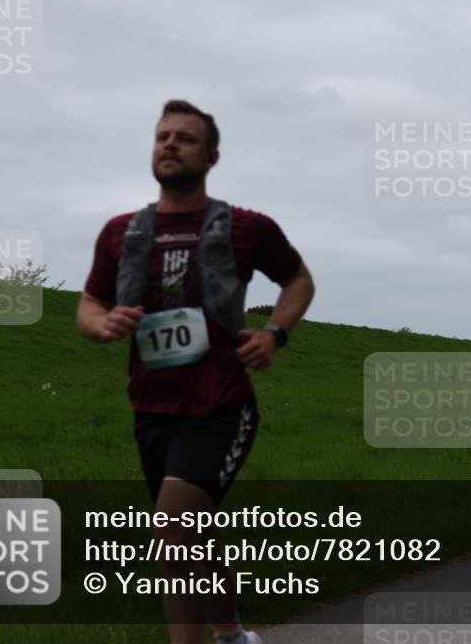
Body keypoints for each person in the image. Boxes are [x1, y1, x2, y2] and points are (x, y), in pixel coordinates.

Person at [77, 100, 315, 644]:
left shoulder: (248, 228)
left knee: (174, 531)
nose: (170, 144)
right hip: (151, 407)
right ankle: (233, 635)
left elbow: (299, 280)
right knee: (192, 536)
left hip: (220, 404)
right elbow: (88, 305)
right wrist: (103, 324)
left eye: (185, 138)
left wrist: (274, 333)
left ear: (211, 155)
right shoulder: (122, 232)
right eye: (163, 136)